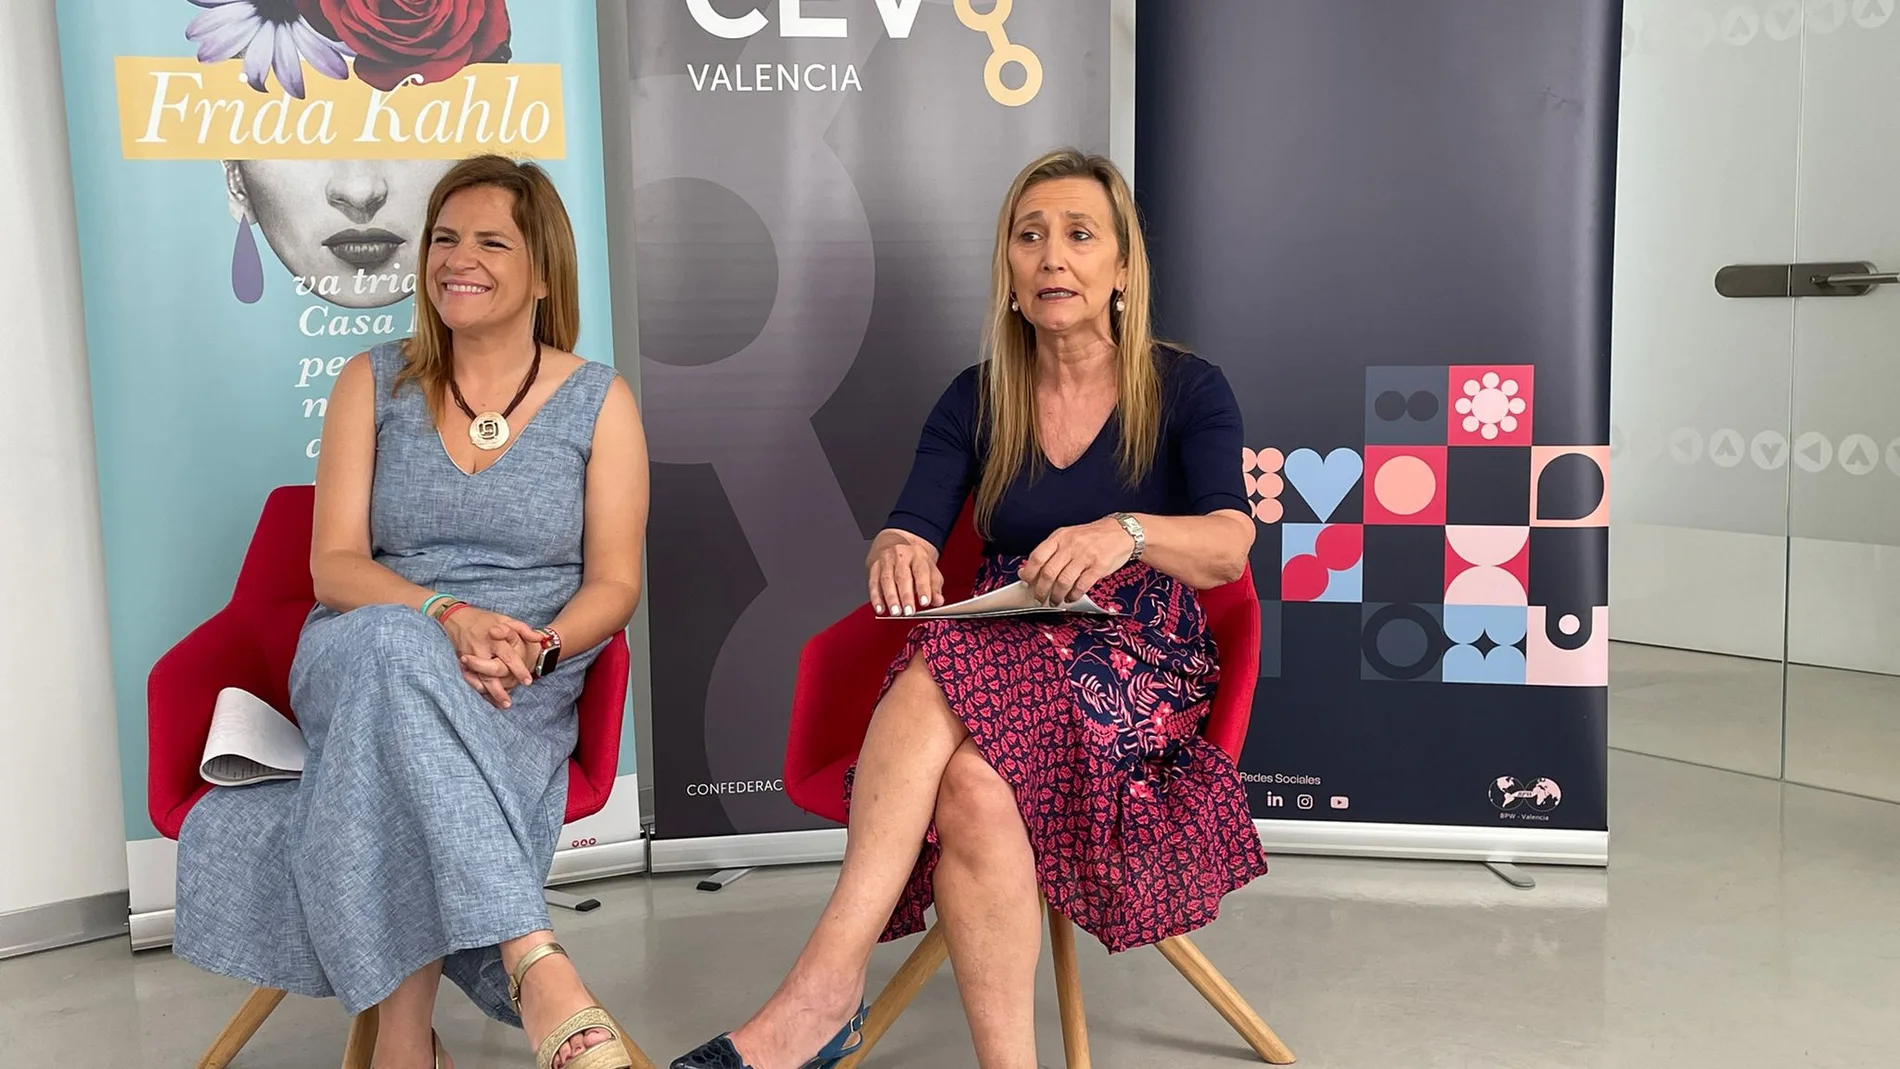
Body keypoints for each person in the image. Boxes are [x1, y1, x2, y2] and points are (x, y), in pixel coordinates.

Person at [671, 149, 1271, 1069]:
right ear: (1009, 267)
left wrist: (1128, 532)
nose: (1051, 258)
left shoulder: (1188, 387)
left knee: (944, 660)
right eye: (1029, 238)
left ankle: (822, 991)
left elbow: (1230, 544)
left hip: (1138, 663)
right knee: (973, 787)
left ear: (1122, 267)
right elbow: (907, 527)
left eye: (1079, 236)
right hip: (1010, 632)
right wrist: (900, 547)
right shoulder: (975, 396)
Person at [173, 154, 652, 1069]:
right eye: (442, 238)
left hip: (519, 680)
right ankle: (530, 955)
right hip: (362, 646)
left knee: (399, 759)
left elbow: (614, 585)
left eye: (488, 241)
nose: (453, 259)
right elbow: (335, 569)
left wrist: (542, 646)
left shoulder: (600, 401)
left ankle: (403, 1043)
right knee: (397, 646)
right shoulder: (373, 381)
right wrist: (443, 613)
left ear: (543, 271)